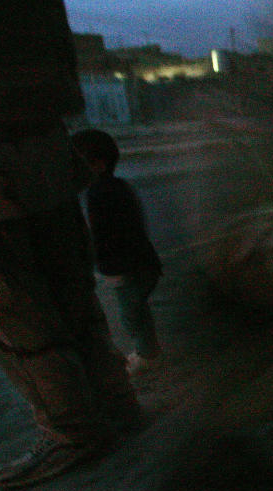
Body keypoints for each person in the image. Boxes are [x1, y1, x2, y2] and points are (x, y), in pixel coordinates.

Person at [0, 2, 141, 489]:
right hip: (45, 148)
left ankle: (74, 433)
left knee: (15, 314)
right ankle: (117, 406)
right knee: (73, 298)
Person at [71, 128, 163, 375]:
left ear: (98, 165)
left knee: (132, 315)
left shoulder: (99, 193)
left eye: (76, 163)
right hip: (141, 263)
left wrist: (105, 264)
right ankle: (148, 350)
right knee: (137, 311)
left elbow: (107, 236)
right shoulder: (115, 186)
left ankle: (148, 355)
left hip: (128, 268)